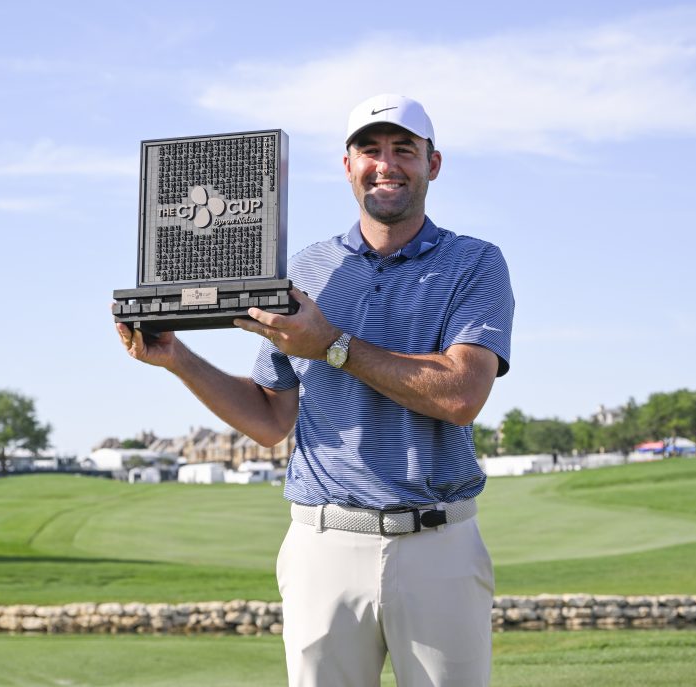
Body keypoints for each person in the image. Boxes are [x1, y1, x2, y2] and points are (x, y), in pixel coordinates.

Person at [115, 93, 514, 687]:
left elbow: (461, 395)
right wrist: (178, 359)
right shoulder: (304, 270)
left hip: (439, 544)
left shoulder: (475, 262)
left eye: (404, 149)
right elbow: (273, 417)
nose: (386, 164)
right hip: (323, 544)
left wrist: (334, 345)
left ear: (432, 164)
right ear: (347, 165)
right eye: (369, 150)